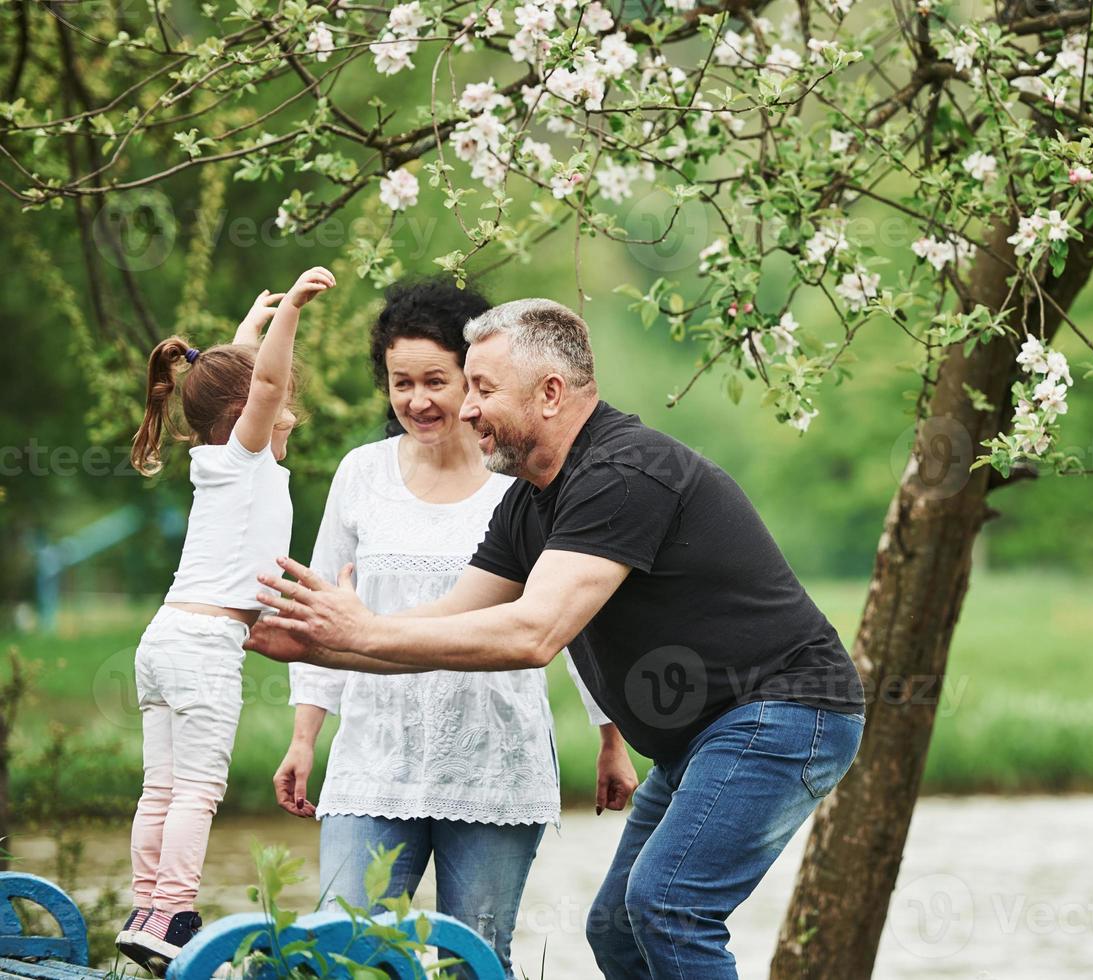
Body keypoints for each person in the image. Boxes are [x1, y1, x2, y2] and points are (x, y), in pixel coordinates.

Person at [245, 297, 866, 979]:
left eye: (482, 389)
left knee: (667, 906)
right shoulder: (530, 497)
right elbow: (452, 619)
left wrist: (358, 630)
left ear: (549, 394)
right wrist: (322, 644)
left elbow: (533, 633)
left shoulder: (621, 473)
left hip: (785, 713)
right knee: (618, 929)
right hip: (707, 734)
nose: (467, 408)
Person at [272, 279, 635, 975]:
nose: (417, 400)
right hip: (375, 758)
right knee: (347, 957)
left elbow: (573, 621)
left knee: (473, 962)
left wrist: (610, 738)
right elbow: (325, 611)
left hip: (493, 762)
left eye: (435, 380)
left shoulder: (523, 483)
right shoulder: (361, 474)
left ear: (472, 381)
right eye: (399, 382)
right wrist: (302, 736)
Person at [120, 267, 336, 976]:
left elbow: (243, 382)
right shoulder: (245, 460)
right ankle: (173, 910)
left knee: (162, 787)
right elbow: (264, 385)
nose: (290, 414)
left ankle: (145, 906)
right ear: (250, 411)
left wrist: (248, 328)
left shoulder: (216, 458)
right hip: (206, 644)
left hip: (163, 641)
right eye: (282, 407)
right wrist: (291, 312)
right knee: (198, 792)